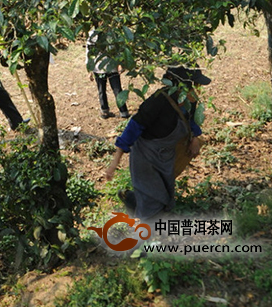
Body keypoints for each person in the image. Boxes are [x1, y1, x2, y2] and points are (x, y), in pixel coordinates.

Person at [105, 65, 211, 220]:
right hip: (146, 158)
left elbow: (191, 120)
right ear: (181, 86)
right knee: (152, 207)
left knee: (162, 195)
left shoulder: (189, 100)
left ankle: (132, 200)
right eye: (195, 85)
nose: (198, 90)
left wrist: (195, 137)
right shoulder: (158, 102)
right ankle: (145, 238)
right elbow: (133, 128)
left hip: (166, 156)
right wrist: (115, 162)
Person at [85, 29, 129, 119]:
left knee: (117, 90)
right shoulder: (92, 35)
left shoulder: (111, 34)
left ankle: (123, 111)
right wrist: (89, 69)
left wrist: (120, 64)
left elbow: (118, 49)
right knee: (102, 90)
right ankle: (105, 111)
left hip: (111, 66)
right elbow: (89, 53)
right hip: (99, 67)